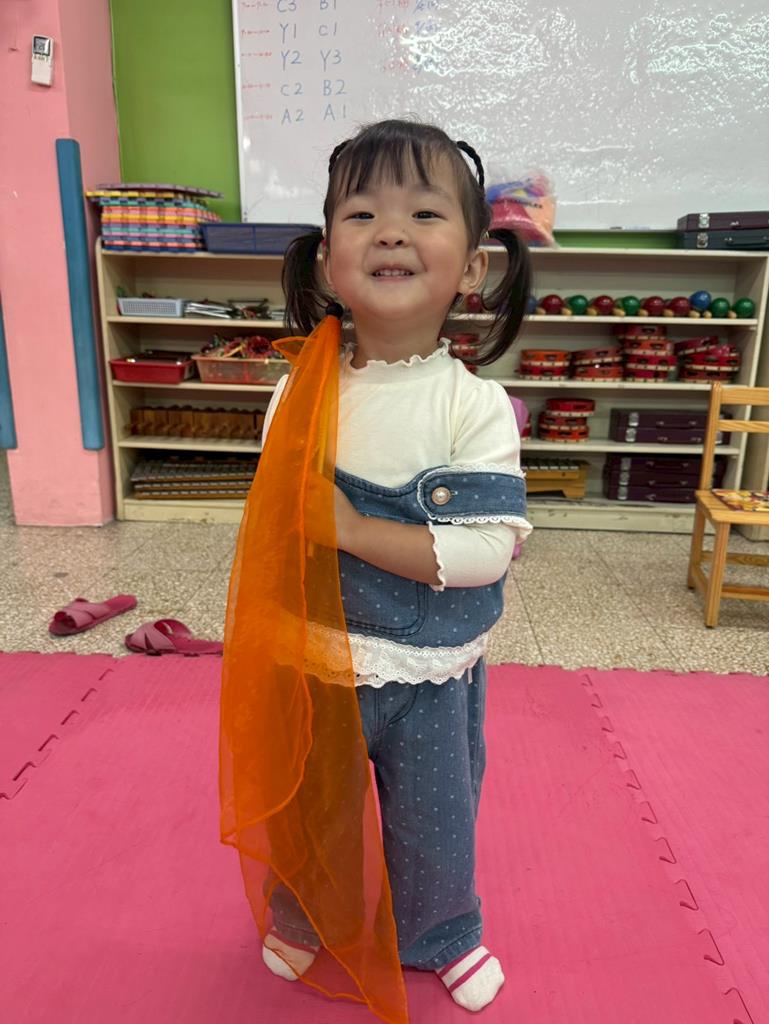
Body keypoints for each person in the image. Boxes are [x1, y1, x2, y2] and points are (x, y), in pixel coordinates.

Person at [254, 119, 533, 1014]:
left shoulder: (473, 405)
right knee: (310, 811)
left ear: (473, 267)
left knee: (434, 822)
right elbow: (274, 532)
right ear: (325, 259)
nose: (389, 233)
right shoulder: (296, 391)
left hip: (431, 673)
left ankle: (439, 932)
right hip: (315, 658)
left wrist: (349, 528)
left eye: (423, 213)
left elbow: (484, 552)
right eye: (362, 213)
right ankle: (305, 917)